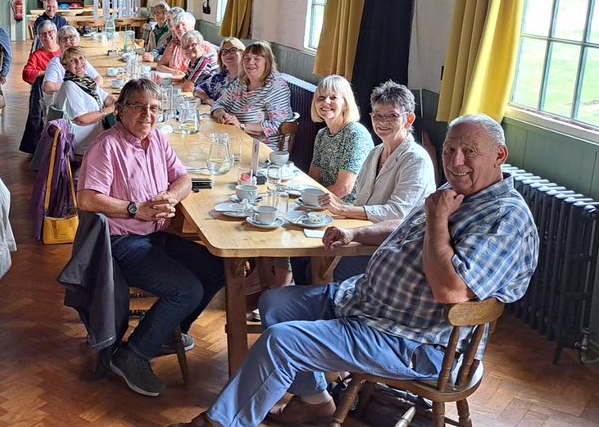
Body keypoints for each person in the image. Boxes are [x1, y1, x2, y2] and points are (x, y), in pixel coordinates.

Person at [168, 114, 540, 427]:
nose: (455, 161)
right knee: (276, 303)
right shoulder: (459, 189)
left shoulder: (504, 218)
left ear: (500, 155)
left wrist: (439, 219)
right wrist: (356, 232)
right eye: (450, 150)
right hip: (367, 303)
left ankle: (219, 422)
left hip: (414, 340)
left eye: (469, 152)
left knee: (282, 341)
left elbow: (452, 291)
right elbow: (408, 229)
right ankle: (315, 402)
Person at [76, 79, 226, 398]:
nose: (148, 114)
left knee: (217, 268)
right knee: (186, 290)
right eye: (139, 106)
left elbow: (183, 177)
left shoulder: (156, 138)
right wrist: (136, 210)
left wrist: (171, 196)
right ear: (121, 110)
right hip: (120, 243)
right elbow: (87, 199)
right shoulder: (106, 146)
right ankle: (133, 354)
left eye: (154, 108)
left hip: (154, 235)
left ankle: (168, 333)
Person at [297, 81, 437, 283]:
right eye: (377, 115)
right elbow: (362, 201)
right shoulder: (375, 153)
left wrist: (344, 211)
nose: (383, 121)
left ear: (409, 119)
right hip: (365, 234)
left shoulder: (416, 159)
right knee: (305, 253)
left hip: (395, 246)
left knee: (324, 266)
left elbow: (397, 214)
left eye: (392, 115)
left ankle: (327, 306)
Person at [210, 42, 292, 151]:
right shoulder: (241, 82)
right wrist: (222, 114)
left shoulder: (276, 86)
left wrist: (241, 126)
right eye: (247, 58)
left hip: (262, 149)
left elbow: (277, 125)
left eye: (256, 59)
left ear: (267, 62)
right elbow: (219, 103)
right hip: (235, 139)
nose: (250, 63)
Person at [308, 75, 373, 203]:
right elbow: (313, 178)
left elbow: (344, 188)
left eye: (333, 97)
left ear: (345, 104)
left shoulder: (355, 134)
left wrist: (312, 202)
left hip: (348, 206)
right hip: (325, 201)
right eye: (321, 97)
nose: (326, 102)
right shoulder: (322, 134)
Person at [52, 46, 116, 156]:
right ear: (65, 66)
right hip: (81, 140)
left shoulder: (85, 80)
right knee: (123, 140)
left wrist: (117, 101)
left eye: (81, 58)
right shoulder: (69, 85)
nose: (78, 63)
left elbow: (105, 98)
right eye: (72, 60)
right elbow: (81, 120)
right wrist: (109, 110)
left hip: (94, 131)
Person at [42, 25, 102, 96]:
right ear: (59, 43)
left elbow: (99, 79)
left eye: (71, 38)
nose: (68, 41)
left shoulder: (80, 59)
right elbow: (47, 86)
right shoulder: (56, 62)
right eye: (64, 39)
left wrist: (89, 89)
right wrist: (76, 87)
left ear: (77, 40)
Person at [195, 38, 244, 105]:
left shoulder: (247, 80)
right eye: (224, 52)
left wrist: (215, 105)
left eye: (233, 50)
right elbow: (198, 89)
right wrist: (206, 99)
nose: (228, 55)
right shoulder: (219, 77)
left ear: (242, 53)